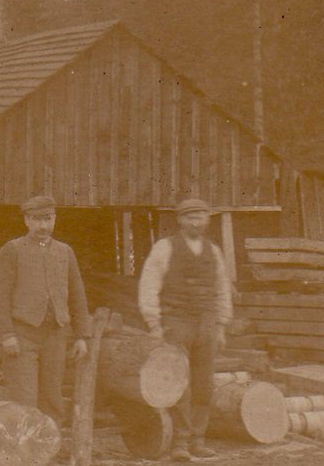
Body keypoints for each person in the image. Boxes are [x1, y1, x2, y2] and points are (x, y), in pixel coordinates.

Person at [138, 198, 234, 462]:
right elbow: (149, 286)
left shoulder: (213, 251)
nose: (195, 222)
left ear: (207, 220)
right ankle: (179, 442)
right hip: (176, 324)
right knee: (180, 383)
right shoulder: (163, 248)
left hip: (207, 324)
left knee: (203, 384)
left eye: (200, 217)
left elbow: (222, 288)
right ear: (180, 220)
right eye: (190, 217)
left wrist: (222, 325)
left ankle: (198, 440)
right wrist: (154, 324)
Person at [0, 194, 90, 423]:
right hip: (23, 335)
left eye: (48, 219)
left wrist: (82, 335)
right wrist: (6, 334)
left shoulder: (65, 252)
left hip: (55, 335)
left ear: (55, 219)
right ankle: (22, 454)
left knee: (52, 397)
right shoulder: (12, 250)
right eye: (37, 220)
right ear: (26, 221)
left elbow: (77, 296)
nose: (44, 226)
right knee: (23, 397)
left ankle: (48, 452)